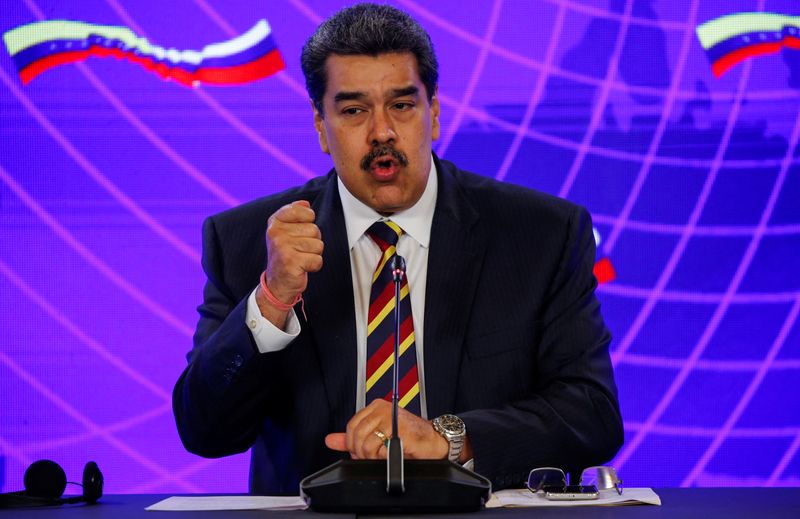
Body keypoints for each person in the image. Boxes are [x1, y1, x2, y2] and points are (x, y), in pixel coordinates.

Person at [173, 3, 623, 496]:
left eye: (402, 105)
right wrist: (272, 300)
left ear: (434, 113)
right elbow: (204, 432)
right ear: (321, 128)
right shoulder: (248, 243)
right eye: (353, 110)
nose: (382, 132)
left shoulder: (540, 235)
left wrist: (449, 439)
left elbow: (591, 413)